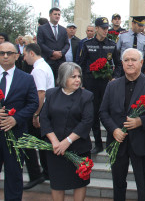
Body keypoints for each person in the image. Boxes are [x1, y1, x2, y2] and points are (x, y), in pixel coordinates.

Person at [99, 48, 145, 201]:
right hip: (117, 141)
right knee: (118, 183)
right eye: (126, 60)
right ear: (121, 63)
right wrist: (114, 129)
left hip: (143, 141)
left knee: (143, 184)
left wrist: (141, 121)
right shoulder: (112, 85)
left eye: (133, 60)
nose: (130, 63)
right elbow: (103, 112)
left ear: (141, 63)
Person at [40, 62, 94, 201]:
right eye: (73, 76)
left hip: (78, 147)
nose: (78, 80)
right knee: (57, 183)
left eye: (79, 76)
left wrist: (67, 141)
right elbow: (44, 118)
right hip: (55, 149)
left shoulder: (86, 96)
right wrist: (55, 141)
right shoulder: (52, 93)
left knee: (80, 182)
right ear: (63, 78)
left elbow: (87, 121)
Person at [0, 42, 38, 200]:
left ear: (17, 55)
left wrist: (16, 119)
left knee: (14, 175)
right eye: (2, 53)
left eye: (9, 53)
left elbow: (33, 104)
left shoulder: (27, 78)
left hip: (16, 134)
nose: (5, 56)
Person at [80, 17, 122, 154]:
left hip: (107, 84)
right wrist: (82, 83)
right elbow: (81, 64)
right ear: (96, 28)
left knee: (109, 112)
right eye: (103, 28)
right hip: (91, 84)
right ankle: (98, 143)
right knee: (93, 114)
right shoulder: (87, 44)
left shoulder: (112, 44)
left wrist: (115, 77)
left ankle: (112, 140)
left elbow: (118, 64)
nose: (106, 30)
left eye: (106, 28)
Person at [22, 43, 55, 190]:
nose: (23, 58)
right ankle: (46, 172)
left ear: (31, 53)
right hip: (44, 110)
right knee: (42, 143)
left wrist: (36, 114)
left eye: (24, 54)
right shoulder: (43, 66)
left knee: (28, 142)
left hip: (39, 111)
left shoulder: (38, 70)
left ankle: (36, 174)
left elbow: (40, 93)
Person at [37, 7, 70, 80]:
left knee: (60, 83)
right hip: (48, 60)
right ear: (50, 15)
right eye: (55, 14)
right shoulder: (42, 28)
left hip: (60, 62)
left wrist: (61, 53)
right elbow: (40, 43)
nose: (57, 16)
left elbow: (67, 44)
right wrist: (52, 52)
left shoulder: (63, 30)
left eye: (59, 14)